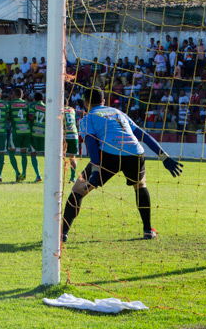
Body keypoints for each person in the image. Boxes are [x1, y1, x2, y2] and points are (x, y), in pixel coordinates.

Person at [61, 88, 183, 243]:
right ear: (104, 101)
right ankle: (147, 230)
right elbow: (142, 135)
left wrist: (96, 170)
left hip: (109, 154)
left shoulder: (87, 118)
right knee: (140, 186)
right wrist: (163, 156)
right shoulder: (119, 113)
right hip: (135, 152)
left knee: (78, 190)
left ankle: (62, 234)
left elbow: (91, 143)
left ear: (85, 103)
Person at [7, 88, 31, 182]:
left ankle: (17, 172)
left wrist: (11, 119)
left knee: (11, 152)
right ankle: (24, 173)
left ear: (14, 95)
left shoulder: (10, 104)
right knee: (23, 153)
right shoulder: (26, 104)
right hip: (26, 130)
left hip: (16, 131)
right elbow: (30, 117)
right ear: (22, 95)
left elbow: (8, 117)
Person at [28, 92, 47, 182]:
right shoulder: (46, 107)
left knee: (33, 153)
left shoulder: (33, 105)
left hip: (34, 132)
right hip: (43, 133)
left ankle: (38, 175)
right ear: (43, 99)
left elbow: (31, 117)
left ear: (34, 99)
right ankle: (49, 174)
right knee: (45, 154)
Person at [63, 102, 80, 183]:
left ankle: (58, 176)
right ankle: (72, 178)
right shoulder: (72, 110)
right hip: (74, 134)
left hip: (65, 134)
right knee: (72, 157)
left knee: (59, 156)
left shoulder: (60, 110)